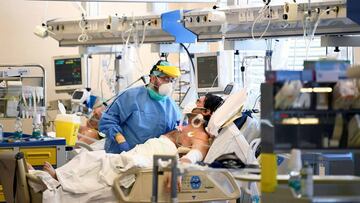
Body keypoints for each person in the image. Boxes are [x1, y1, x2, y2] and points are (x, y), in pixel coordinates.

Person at [29, 106, 217, 198]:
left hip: (153, 155)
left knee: (103, 166)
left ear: (206, 111)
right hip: (146, 148)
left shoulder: (202, 137)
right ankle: (57, 179)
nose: (195, 102)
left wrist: (177, 168)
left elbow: (194, 156)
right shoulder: (187, 125)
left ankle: (52, 185)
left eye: (200, 101)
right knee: (92, 156)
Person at [99, 60, 182, 153]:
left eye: (171, 80)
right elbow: (108, 121)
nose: (169, 84)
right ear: (153, 78)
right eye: (165, 79)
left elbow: (178, 129)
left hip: (151, 158)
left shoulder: (171, 106)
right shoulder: (131, 96)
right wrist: (120, 141)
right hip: (123, 154)